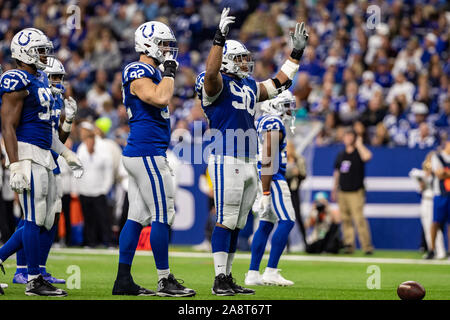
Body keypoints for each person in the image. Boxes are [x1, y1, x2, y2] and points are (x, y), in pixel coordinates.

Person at [195, 8, 308, 295]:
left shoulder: (246, 85)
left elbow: (279, 83)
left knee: (238, 224)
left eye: (247, 58)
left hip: (248, 160)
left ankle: (228, 276)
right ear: (226, 61)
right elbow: (210, 73)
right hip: (226, 156)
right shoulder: (216, 83)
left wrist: (295, 55)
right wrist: (219, 38)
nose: (246, 63)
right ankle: (219, 277)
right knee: (226, 218)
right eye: (240, 58)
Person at [112, 21, 195, 297]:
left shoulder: (150, 71)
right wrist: (169, 74)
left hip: (143, 151)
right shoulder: (139, 70)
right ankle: (164, 280)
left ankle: (123, 280)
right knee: (163, 214)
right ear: (146, 44)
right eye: (163, 44)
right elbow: (158, 98)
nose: (167, 50)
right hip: (146, 152)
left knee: (136, 217)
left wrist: (166, 73)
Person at [0, 28, 82, 297]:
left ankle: (28, 271)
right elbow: (8, 126)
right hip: (27, 154)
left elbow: (47, 131)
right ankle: (33, 279)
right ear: (24, 53)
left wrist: (67, 153)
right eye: (40, 50)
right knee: (34, 218)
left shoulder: (39, 81)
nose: (45, 55)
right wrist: (14, 164)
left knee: (45, 219)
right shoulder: (17, 79)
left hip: (44, 154)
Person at [12, 57, 78, 284]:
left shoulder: (54, 100)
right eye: (55, 77)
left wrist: (68, 122)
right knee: (33, 217)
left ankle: (39, 268)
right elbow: (17, 127)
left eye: (61, 77)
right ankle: (22, 269)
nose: (59, 82)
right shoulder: (32, 94)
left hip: (49, 161)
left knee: (50, 216)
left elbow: (55, 139)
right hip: (32, 158)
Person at [244, 90, 298, 287]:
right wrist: (266, 191)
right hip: (272, 177)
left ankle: (252, 273)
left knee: (266, 224)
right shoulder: (273, 122)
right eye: (286, 105)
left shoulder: (265, 120)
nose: (290, 110)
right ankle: (271, 271)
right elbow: (268, 157)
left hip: (266, 176)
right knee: (287, 220)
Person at [332, 128, 374, 254]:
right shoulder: (341, 154)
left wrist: (360, 145)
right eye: (346, 136)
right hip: (343, 191)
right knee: (345, 220)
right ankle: (349, 244)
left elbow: (368, 157)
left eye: (351, 136)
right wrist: (334, 189)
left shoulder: (358, 153)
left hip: (356, 191)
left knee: (359, 219)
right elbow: (337, 172)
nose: (348, 138)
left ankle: (367, 246)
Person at [409, 152, 446, 259]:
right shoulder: (424, 173)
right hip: (425, 200)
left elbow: (438, 183)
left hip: (433, 200)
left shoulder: (437, 173)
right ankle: (432, 250)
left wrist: (431, 175)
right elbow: (420, 190)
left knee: (434, 226)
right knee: (426, 227)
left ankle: (440, 251)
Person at [425, 138, 450, 259]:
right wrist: (444, 173)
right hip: (440, 194)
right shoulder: (437, 156)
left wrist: (446, 172)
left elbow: (443, 173)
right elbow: (440, 174)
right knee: (435, 222)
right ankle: (432, 249)